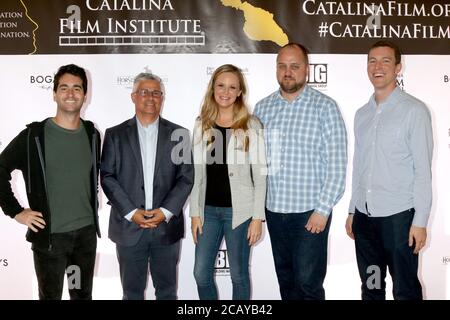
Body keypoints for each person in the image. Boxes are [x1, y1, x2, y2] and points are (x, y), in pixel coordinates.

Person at [253, 43, 347, 300]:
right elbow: (256, 163)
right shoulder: (262, 108)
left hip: (310, 214)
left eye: (294, 66)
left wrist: (322, 210)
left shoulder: (325, 107)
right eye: (282, 66)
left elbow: (337, 164)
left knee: (308, 285)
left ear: (306, 70)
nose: (288, 72)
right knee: (287, 283)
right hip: (274, 211)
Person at [0, 64, 101, 300]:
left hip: (85, 238)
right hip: (50, 239)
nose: (70, 93)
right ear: (54, 93)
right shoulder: (34, 136)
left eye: (77, 88)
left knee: (82, 296)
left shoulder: (92, 134)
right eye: (64, 88)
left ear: (85, 95)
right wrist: (16, 211)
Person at [345, 41, 433, 300]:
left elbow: (423, 171)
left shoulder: (414, 111)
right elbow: (359, 166)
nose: (377, 66)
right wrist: (352, 210)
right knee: (371, 287)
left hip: (399, 220)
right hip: (365, 220)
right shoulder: (362, 114)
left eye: (385, 61)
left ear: (398, 67)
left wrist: (420, 222)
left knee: (405, 290)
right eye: (372, 60)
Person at [100, 72, 194, 300]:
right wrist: (132, 213)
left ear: (162, 97)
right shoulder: (115, 135)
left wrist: (165, 212)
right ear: (133, 96)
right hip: (128, 228)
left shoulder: (179, 135)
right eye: (144, 92)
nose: (150, 97)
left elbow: (186, 177)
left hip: (166, 228)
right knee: (131, 293)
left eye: (156, 93)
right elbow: (107, 176)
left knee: (167, 292)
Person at [190, 64, 267, 300]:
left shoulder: (251, 125)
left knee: (238, 275)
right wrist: (194, 212)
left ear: (240, 92)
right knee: (201, 273)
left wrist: (257, 217)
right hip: (208, 212)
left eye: (232, 87)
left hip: (241, 213)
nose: (226, 91)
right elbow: (197, 174)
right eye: (221, 85)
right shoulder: (201, 123)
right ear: (213, 88)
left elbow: (260, 174)